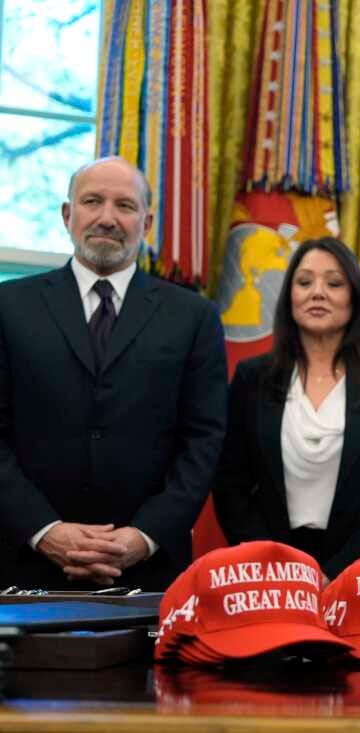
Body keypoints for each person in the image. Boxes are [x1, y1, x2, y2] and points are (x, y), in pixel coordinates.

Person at [0, 156, 228, 590]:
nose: (107, 218)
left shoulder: (193, 317)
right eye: (92, 201)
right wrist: (45, 531)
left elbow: (204, 440)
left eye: (124, 206)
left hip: (148, 571)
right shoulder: (8, 307)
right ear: (68, 215)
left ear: (147, 221)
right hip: (22, 567)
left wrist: (144, 537)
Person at [213, 237, 360, 581]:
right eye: (305, 281)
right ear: (289, 298)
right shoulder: (253, 378)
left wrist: (337, 572)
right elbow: (230, 486)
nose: (318, 292)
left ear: (354, 296)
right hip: (269, 569)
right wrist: (277, 566)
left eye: (334, 283)